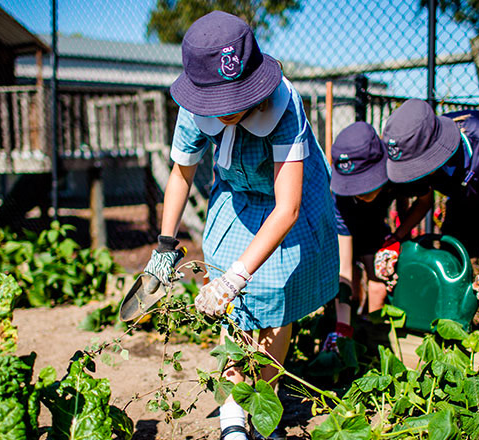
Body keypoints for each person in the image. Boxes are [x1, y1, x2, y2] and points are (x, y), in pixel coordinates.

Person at [141, 11, 338, 440]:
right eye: (217, 104)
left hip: (286, 196)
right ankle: (233, 410)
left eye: (236, 100)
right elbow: (181, 173)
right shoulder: (193, 108)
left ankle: (264, 399)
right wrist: (164, 245)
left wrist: (237, 276)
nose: (225, 111)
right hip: (237, 192)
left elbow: (287, 208)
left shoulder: (285, 109)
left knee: (273, 293)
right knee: (235, 302)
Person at [380, 99, 479, 332]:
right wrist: (396, 238)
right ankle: (451, 344)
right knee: (451, 266)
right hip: (466, 191)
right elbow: (424, 202)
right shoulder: (418, 152)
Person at [322, 121, 433, 352]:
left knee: (378, 284)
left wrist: (399, 236)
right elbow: (344, 265)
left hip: (375, 231)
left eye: (363, 186)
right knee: (347, 282)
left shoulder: (397, 175)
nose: (358, 193)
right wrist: (342, 327)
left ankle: (374, 339)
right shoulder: (339, 200)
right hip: (344, 233)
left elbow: (423, 200)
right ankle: (343, 330)